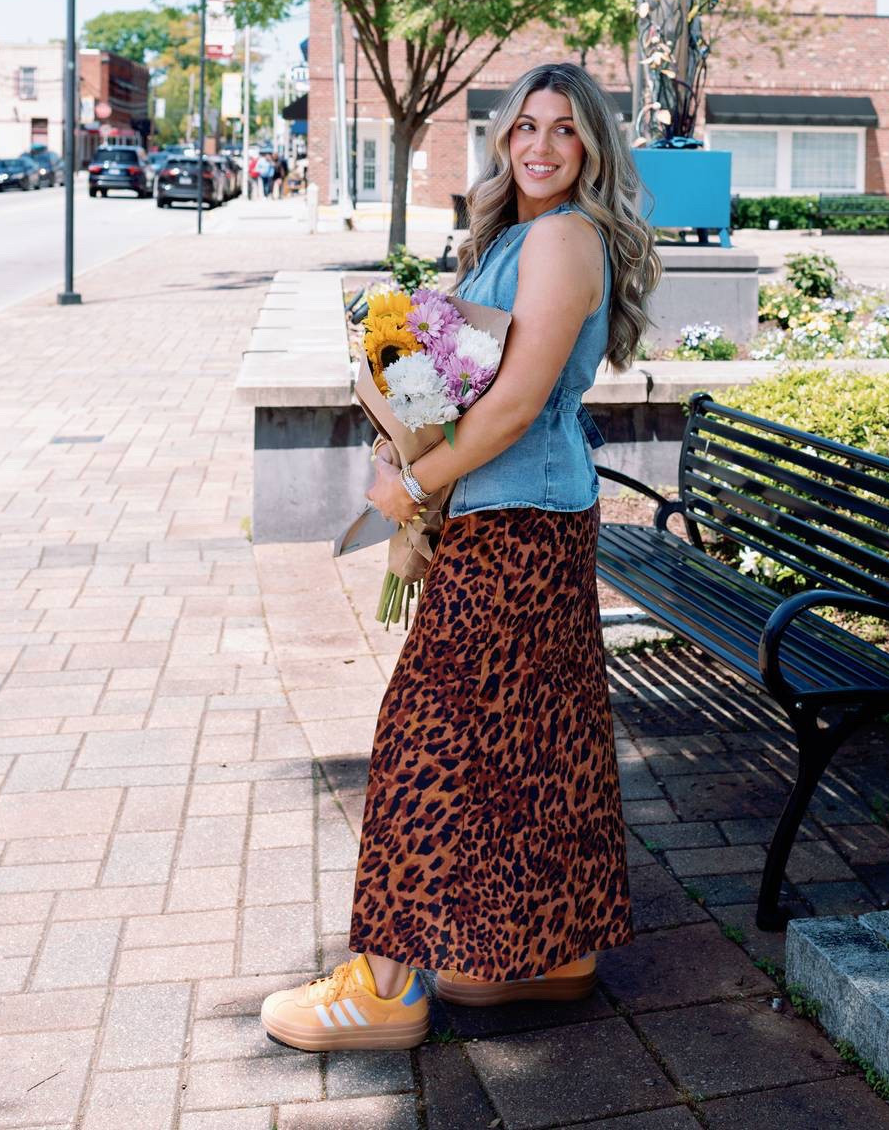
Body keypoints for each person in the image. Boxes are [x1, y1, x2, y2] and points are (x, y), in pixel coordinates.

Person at [261, 62, 660, 1052]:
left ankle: (385, 987)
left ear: (593, 146)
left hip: (517, 522)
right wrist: (404, 428)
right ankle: (543, 952)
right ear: (502, 137)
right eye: (525, 126)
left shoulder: (564, 238)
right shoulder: (521, 234)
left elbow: (516, 403)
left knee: (427, 735)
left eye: (564, 129)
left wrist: (419, 482)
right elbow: (454, 378)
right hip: (523, 515)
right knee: (536, 736)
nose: (541, 146)